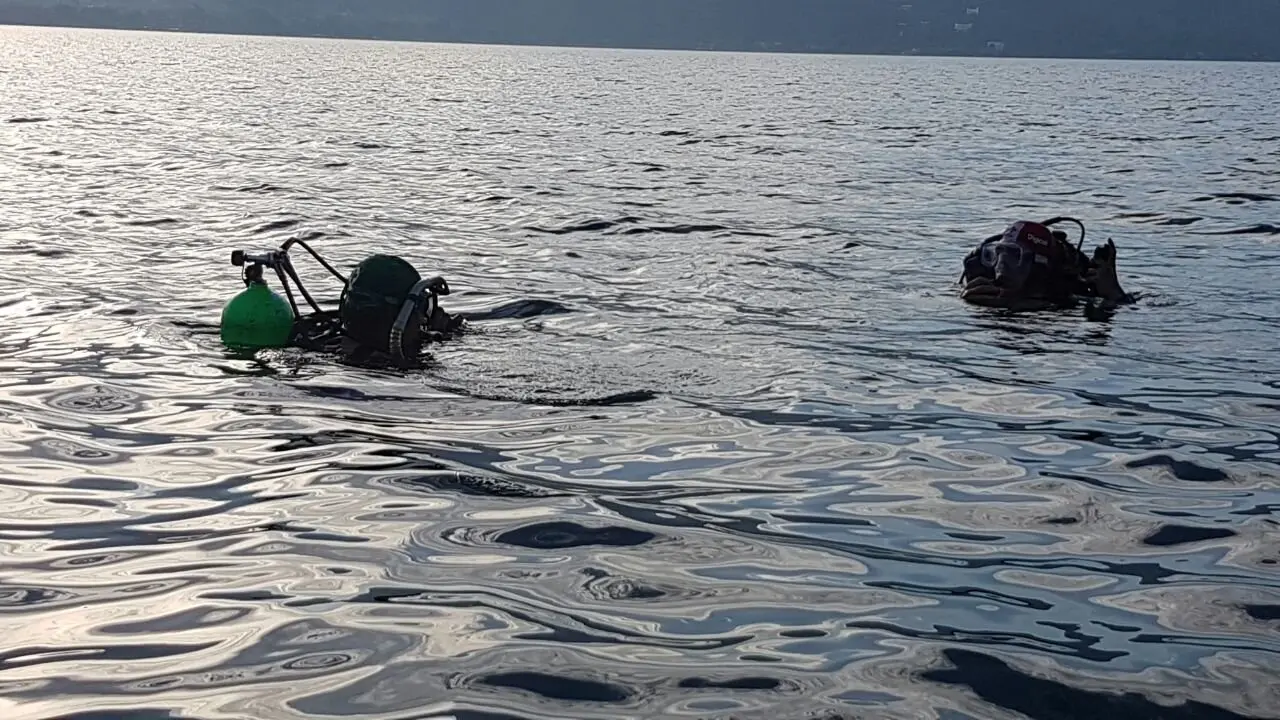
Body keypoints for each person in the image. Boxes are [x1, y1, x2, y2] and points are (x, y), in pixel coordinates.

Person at [959, 218, 1134, 310]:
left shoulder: (1067, 306)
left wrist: (1114, 295)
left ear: (1039, 268)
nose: (1001, 266)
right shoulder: (980, 291)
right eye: (996, 255)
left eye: (1015, 257)